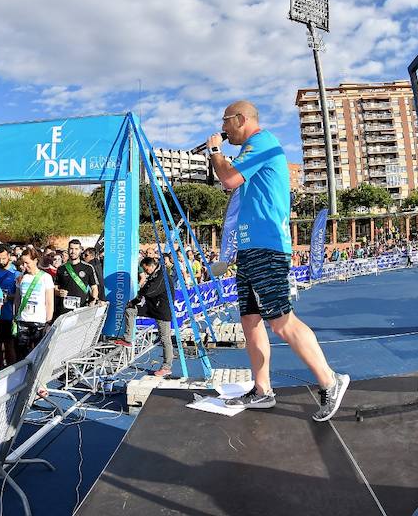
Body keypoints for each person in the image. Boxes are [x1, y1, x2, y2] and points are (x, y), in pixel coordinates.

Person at [207, 100, 349, 422]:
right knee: (250, 320)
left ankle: (330, 380)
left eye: (226, 121)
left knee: (281, 320)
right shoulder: (252, 150)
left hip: (267, 247)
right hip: (249, 248)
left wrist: (215, 152)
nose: (223, 128)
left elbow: (229, 179)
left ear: (241, 119)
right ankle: (262, 390)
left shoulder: (262, 142)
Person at [118, 257, 175, 377]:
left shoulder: (162, 275)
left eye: (146, 269)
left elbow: (150, 292)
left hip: (162, 309)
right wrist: (133, 302)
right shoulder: (153, 275)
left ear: (152, 266)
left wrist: (142, 290)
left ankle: (166, 366)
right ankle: (128, 338)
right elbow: (143, 292)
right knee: (130, 310)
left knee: (165, 338)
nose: (145, 272)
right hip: (151, 306)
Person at [14, 248, 54, 359]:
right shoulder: (21, 278)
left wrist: (48, 321)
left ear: (35, 260)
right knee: (22, 354)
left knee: (37, 354)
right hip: (23, 319)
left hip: (39, 321)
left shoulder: (46, 277)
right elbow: (17, 299)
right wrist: (16, 316)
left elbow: (49, 301)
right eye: (23, 263)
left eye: (27, 263)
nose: (24, 266)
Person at [54, 239, 100, 317]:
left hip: (81, 309)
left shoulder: (88, 268)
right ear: (68, 250)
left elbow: (94, 288)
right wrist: (58, 292)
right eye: (71, 249)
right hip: (64, 310)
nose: (73, 251)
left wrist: (93, 300)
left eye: (76, 249)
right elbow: (55, 288)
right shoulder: (61, 268)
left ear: (80, 250)